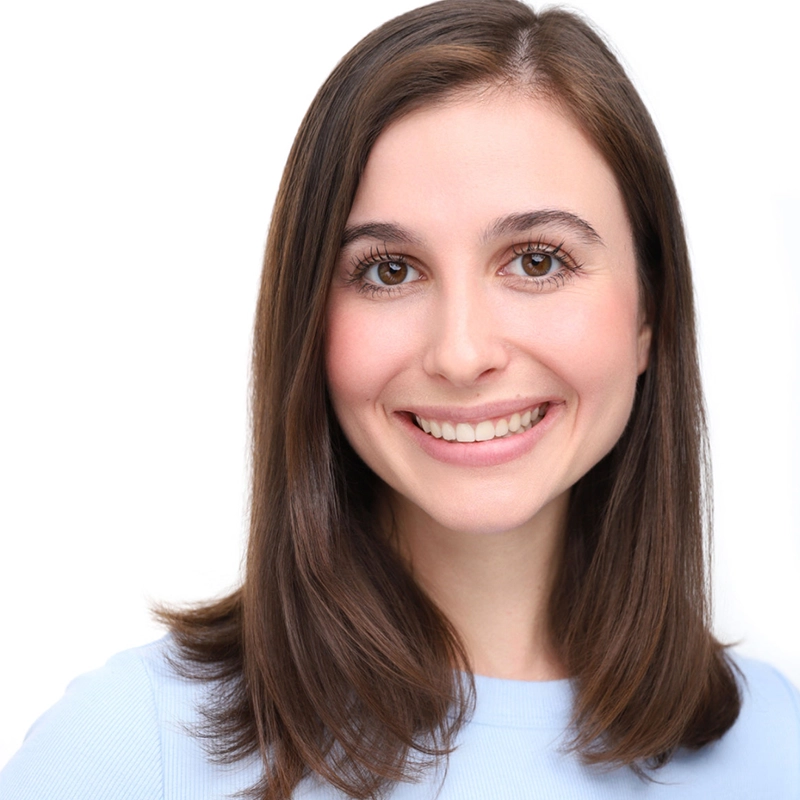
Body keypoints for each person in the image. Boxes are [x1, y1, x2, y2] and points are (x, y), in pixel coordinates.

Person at [1, 1, 798, 798]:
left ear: (650, 312)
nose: (460, 352)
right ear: (309, 318)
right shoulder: (131, 750)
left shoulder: (776, 747)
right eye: (389, 270)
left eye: (536, 260)